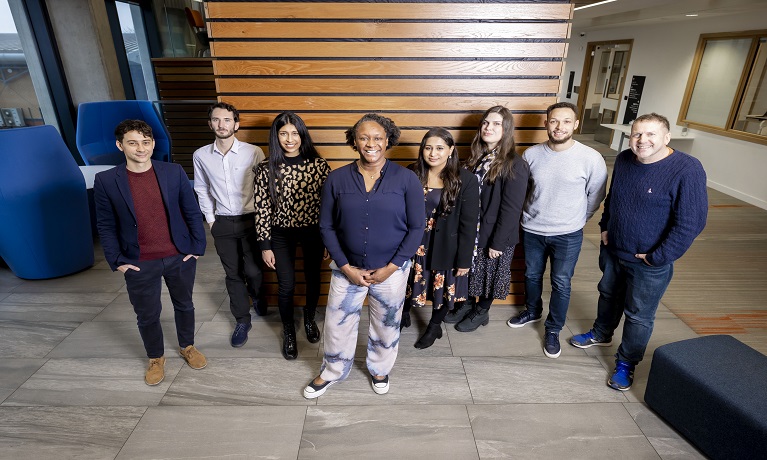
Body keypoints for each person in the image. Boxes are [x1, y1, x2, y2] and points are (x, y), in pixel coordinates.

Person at [570, 112, 707, 391]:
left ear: (666, 137)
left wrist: (658, 256)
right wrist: (605, 226)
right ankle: (602, 333)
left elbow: (691, 222)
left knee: (638, 314)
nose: (642, 140)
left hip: (649, 261)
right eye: (636, 134)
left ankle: (626, 362)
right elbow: (614, 198)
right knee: (608, 294)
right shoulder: (623, 159)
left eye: (650, 134)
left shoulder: (687, 169)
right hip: (613, 250)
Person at [303, 113, 424, 399]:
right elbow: (326, 226)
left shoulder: (406, 179)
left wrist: (392, 267)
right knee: (337, 322)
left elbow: (417, 227)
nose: (371, 143)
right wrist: (345, 267)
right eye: (364, 137)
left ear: (388, 141)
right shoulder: (337, 179)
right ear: (354, 141)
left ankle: (380, 369)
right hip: (347, 268)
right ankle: (332, 371)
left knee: (387, 322)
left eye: (378, 137)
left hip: (391, 270)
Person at [94, 119, 207, 386]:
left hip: (179, 255)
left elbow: (192, 211)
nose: (141, 148)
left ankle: (187, 346)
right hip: (138, 261)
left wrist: (196, 248)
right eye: (133, 143)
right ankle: (155, 357)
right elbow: (105, 224)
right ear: (120, 145)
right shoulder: (107, 180)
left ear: (153, 144)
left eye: (146, 142)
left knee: (185, 304)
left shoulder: (173, 171)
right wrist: (117, 260)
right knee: (147, 314)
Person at [507, 102, 607, 359]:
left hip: (568, 233)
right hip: (532, 229)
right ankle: (533, 311)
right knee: (531, 275)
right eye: (553, 121)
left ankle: (553, 329)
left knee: (561, 282)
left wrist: (575, 220)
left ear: (575, 125)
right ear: (546, 124)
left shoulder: (591, 158)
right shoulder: (531, 155)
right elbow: (524, 192)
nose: (559, 126)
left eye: (565, 121)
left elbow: (596, 196)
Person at [445, 106, 529, 332]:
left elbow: (512, 209)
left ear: (506, 129)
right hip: (475, 229)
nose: (488, 127)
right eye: (485, 123)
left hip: (496, 233)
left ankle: (482, 311)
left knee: (491, 274)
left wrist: (498, 243)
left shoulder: (515, 164)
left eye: (496, 124)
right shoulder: (476, 158)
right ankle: (469, 304)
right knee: (474, 272)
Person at [255, 112, 331, 359]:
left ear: (302, 135)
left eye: (295, 133)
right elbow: (262, 207)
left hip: (313, 231)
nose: (290, 139)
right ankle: (288, 330)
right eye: (284, 133)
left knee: (312, 278)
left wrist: (330, 240)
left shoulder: (318, 165)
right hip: (280, 233)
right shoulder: (265, 168)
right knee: (286, 285)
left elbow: (329, 206)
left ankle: (309, 319)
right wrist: (265, 245)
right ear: (276, 136)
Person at [193, 102, 266, 348]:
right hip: (222, 222)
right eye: (216, 120)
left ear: (236, 124)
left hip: (251, 219)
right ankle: (242, 320)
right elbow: (201, 189)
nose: (221, 124)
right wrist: (211, 220)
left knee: (255, 270)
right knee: (232, 274)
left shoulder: (253, 152)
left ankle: (256, 296)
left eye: (226, 120)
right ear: (210, 123)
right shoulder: (201, 155)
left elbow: (264, 187)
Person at [401, 128, 479, 349]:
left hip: (446, 244)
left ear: (450, 150)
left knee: (443, 287)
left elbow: (469, 223)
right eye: (428, 148)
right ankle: (404, 313)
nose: (433, 153)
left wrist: (464, 260)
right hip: (413, 241)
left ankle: (435, 326)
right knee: (406, 282)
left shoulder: (466, 180)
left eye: (439, 148)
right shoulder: (411, 173)